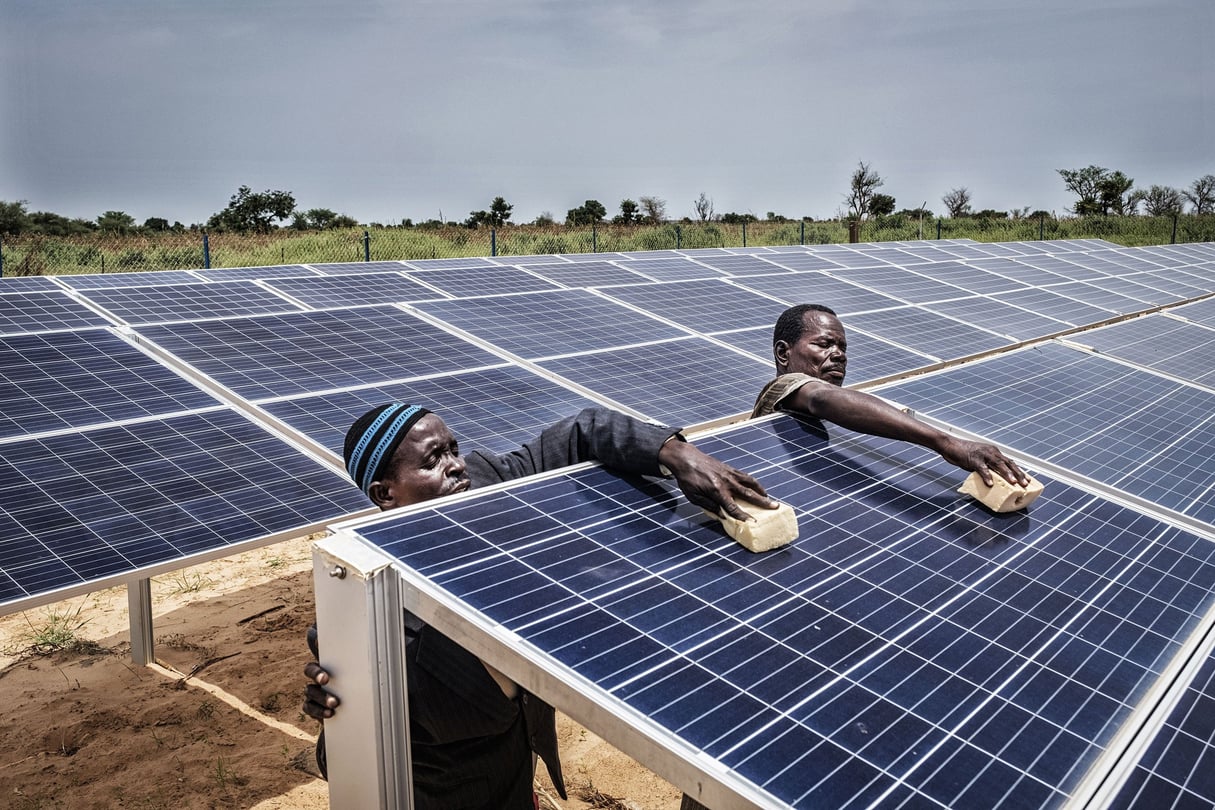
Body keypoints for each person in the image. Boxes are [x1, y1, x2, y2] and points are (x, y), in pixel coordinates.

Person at [303, 402, 775, 810]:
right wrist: (343, 711)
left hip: (514, 778)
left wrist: (679, 455)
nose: (455, 466)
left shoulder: (486, 484)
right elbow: (340, 758)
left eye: (453, 448)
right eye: (433, 460)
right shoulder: (372, 599)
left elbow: (580, 430)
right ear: (387, 494)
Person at [753, 303, 1028, 489]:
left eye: (842, 346)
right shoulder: (786, 388)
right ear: (783, 353)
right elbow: (821, 397)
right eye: (824, 344)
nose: (839, 354)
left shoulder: (816, 418)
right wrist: (947, 443)